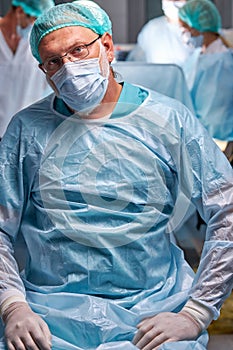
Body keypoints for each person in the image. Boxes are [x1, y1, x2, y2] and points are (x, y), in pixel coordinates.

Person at [0, 1, 233, 349]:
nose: (68, 68)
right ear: (44, 70)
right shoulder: (26, 131)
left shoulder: (169, 121)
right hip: (48, 317)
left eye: (78, 50)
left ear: (107, 47)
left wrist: (195, 312)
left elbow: (227, 210)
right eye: (54, 61)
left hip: (155, 311)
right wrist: (13, 306)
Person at [178, 0, 233, 141]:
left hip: (217, 140)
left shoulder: (222, 63)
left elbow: (215, 118)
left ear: (198, 27)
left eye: (184, 29)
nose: (183, 34)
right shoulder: (198, 56)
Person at [0, 0, 54, 138]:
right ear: (19, 12)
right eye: (33, 19)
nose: (34, 26)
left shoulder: (37, 45)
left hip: (24, 133)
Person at [127, 0, 193, 65]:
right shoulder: (152, 28)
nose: (172, 2)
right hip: (155, 75)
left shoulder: (196, 29)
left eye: (177, 0)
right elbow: (135, 61)